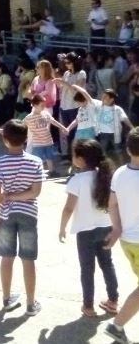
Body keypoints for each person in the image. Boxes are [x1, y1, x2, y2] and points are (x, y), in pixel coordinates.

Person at [0, 120, 43, 317]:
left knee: (7, 257)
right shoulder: (35, 162)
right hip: (29, 214)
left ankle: (6, 298)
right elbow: (35, 192)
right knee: (28, 259)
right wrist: (17, 196)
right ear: (26, 139)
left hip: (6, 214)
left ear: (5, 140)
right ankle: (30, 303)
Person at [58, 139, 118, 317]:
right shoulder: (107, 175)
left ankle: (88, 306)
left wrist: (62, 228)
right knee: (107, 264)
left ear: (81, 159)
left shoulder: (77, 180)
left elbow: (68, 208)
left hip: (85, 231)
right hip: (106, 227)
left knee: (87, 268)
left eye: (75, 155)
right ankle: (113, 301)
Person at [104, 128, 139, 343]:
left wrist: (117, 228)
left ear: (127, 149)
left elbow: (112, 204)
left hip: (127, 240)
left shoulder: (119, 174)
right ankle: (116, 326)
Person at [24, 95, 68, 178]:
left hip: (48, 141)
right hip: (37, 143)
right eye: (42, 106)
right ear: (35, 105)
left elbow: (54, 122)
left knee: (49, 157)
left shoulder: (46, 114)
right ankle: (35, 174)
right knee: (37, 159)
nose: (44, 107)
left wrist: (63, 128)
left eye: (44, 105)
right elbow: (21, 125)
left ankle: (52, 172)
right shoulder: (29, 118)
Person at [58, 53, 87, 158]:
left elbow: (77, 89)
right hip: (64, 105)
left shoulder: (81, 73)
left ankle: (78, 155)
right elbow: (63, 88)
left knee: (76, 132)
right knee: (68, 132)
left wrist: (64, 83)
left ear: (74, 62)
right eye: (65, 62)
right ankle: (70, 155)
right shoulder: (66, 73)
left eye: (68, 62)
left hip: (75, 106)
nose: (66, 65)